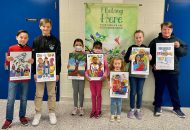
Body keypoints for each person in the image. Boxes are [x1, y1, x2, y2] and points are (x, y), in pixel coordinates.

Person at [149, 22, 187, 118]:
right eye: (164, 29)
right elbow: (149, 55)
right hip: (159, 71)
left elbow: (184, 53)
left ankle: (177, 108)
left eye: (168, 29)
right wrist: (152, 64)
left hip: (173, 71)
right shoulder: (155, 41)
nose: (166, 31)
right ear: (161, 30)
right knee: (159, 90)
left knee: (174, 90)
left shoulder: (177, 40)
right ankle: (157, 107)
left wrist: (178, 47)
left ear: (172, 30)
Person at [2, 30, 34, 129]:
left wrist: (32, 62)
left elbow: (30, 65)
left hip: (25, 78)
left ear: (28, 39)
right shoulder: (11, 48)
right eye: (21, 37)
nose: (23, 39)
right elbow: (7, 65)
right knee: (10, 99)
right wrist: (7, 61)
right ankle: (8, 119)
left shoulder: (30, 49)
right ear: (17, 37)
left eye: (25, 37)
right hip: (13, 78)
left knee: (24, 99)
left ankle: (22, 116)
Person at [32, 18, 61, 126]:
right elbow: (34, 57)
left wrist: (57, 73)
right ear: (40, 27)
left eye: (48, 26)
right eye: (44, 26)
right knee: (38, 94)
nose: (46, 28)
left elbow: (58, 57)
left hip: (51, 72)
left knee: (51, 93)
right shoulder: (36, 40)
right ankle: (38, 113)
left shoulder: (55, 40)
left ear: (51, 27)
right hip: (39, 72)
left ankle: (52, 112)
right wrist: (34, 72)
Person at [124, 30, 152, 120]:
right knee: (133, 92)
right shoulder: (131, 47)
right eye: (136, 37)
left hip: (142, 75)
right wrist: (129, 58)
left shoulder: (146, 48)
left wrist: (150, 58)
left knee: (139, 92)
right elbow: (125, 60)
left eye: (140, 37)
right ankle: (132, 109)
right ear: (134, 38)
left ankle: (138, 109)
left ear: (143, 38)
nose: (138, 39)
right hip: (132, 74)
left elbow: (149, 61)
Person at [85, 41, 108, 118]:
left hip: (99, 80)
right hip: (91, 80)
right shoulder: (89, 58)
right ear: (93, 48)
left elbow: (106, 69)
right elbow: (86, 68)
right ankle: (93, 110)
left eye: (99, 48)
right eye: (96, 48)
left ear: (101, 49)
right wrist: (86, 75)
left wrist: (104, 75)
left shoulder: (103, 58)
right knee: (93, 95)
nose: (97, 49)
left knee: (98, 95)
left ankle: (98, 110)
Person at [67, 38, 85, 116]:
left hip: (82, 76)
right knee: (75, 91)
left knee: (81, 91)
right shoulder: (72, 54)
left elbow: (88, 66)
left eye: (80, 45)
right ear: (74, 45)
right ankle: (75, 107)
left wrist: (85, 65)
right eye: (77, 45)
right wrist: (68, 66)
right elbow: (70, 65)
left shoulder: (85, 55)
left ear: (83, 46)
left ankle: (81, 107)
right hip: (74, 76)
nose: (78, 46)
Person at [108, 57, 126, 122]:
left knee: (119, 103)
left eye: (119, 63)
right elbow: (109, 80)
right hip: (113, 90)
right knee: (113, 103)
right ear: (113, 64)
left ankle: (118, 115)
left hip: (119, 90)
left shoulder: (123, 73)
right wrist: (109, 85)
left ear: (121, 64)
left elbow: (125, 82)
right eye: (115, 63)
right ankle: (112, 114)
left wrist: (127, 86)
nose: (117, 65)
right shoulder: (111, 73)